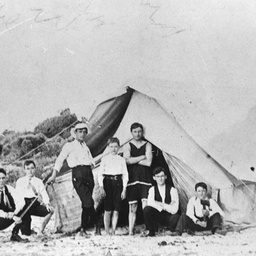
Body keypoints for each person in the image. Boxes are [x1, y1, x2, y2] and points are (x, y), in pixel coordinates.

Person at [47, 122, 96, 237]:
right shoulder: (69, 146)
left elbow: (92, 161)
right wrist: (54, 175)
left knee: (86, 203)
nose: (82, 134)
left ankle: (83, 229)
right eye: (80, 131)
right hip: (78, 174)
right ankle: (96, 225)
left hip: (89, 174)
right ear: (75, 133)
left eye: (84, 132)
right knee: (89, 202)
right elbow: (60, 160)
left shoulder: (85, 146)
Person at [123, 122, 153, 235]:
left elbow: (149, 162)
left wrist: (133, 160)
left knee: (146, 206)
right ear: (131, 132)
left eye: (139, 131)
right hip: (132, 180)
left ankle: (149, 229)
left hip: (145, 179)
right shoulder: (127, 145)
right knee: (133, 207)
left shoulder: (147, 144)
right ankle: (131, 231)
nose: (137, 134)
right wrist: (142, 157)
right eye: (135, 131)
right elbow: (126, 160)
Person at [98, 137, 128, 235]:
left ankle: (113, 230)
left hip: (118, 183)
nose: (114, 149)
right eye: (111, 147)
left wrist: (124, 189)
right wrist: (102, 187)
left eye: (116, 146)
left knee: (116, 209)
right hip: (107, 183)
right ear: (108, 147)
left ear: (119, 147)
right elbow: (100, 174)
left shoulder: (121, 160)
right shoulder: (104, 159)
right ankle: (107, 231)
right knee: (108, 209)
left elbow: (125, 175)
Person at [15, 160, 54, 236]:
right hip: (24, 205)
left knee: (50, 211)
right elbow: (17, 196)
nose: (30, 171)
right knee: (26, 233)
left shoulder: (38, 181)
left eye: (32, 168)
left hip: (34, 204)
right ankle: (27, 230)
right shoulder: (20, 181)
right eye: (28, 169)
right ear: (24, 170)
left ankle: (40, 231)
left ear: (35, 169)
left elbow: (44, 194)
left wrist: (47, 204)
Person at [143, 167, 180, 237]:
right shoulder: (152, 189)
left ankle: (168, 231)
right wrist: (166, 206)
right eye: (158, 176)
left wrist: (161, 204)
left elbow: (175, 210)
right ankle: (152, 231)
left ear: (165, 177)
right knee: (147, 209)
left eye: (162, 176)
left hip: (169, 216)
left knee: (176, 216)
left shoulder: (172, 190)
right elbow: (150, 203)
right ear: (154, 178)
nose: (160, 179)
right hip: (158, 216)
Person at [0, 168, 28, 242]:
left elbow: (21, 201)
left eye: (3, 178)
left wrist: (14, 213)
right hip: (2, 216)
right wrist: (8, 215)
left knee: (23, 209)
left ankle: (15, 234)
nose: (1, 180)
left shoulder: (9, 189)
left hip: (8, 216)